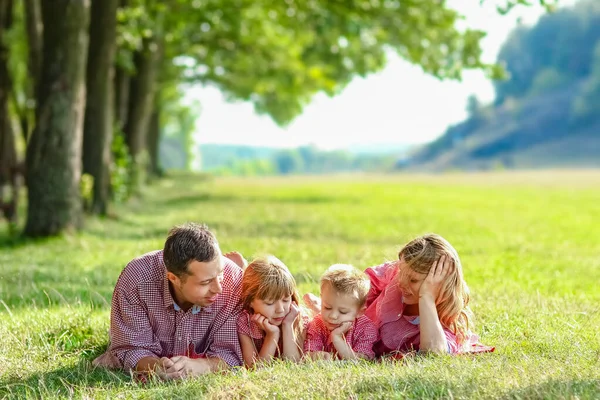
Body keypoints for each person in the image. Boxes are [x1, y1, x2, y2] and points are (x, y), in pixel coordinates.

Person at [93, 222, 244, 380]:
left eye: (220, 274)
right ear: (174, 278)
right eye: (205, 282)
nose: (219, 288)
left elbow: (232, 354)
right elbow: (129, 348)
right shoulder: (136, 281)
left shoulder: (234, 283)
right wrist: (157, 367)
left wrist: (203, 366)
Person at [304, 234, 491, 357]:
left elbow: (435, 353)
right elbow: (354, 291)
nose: (402, 282)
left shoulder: (445, 318)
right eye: (401, 271)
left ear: (438, 283)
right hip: (351, 334)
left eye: (414, 280)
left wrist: (426, 297)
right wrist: (332, 308)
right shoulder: (393, 275)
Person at [237, 255, 308, 367]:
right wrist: (272, 335)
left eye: (285, 300)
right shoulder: (245, 323)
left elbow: (294, 364)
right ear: (250, 300)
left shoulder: (297, 317)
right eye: (269, 303)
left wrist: (288, 325)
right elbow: (255, 369)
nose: (280, 310)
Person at [303, 264, 379, 361]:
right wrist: (316, 355)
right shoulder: (318, 323)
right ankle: (314, 306)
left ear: (359, 312)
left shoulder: (366, 328)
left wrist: (337, 338)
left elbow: (361, 360)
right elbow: (308, 352)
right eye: (327, 307)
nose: (333, 316)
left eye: (343, 312)